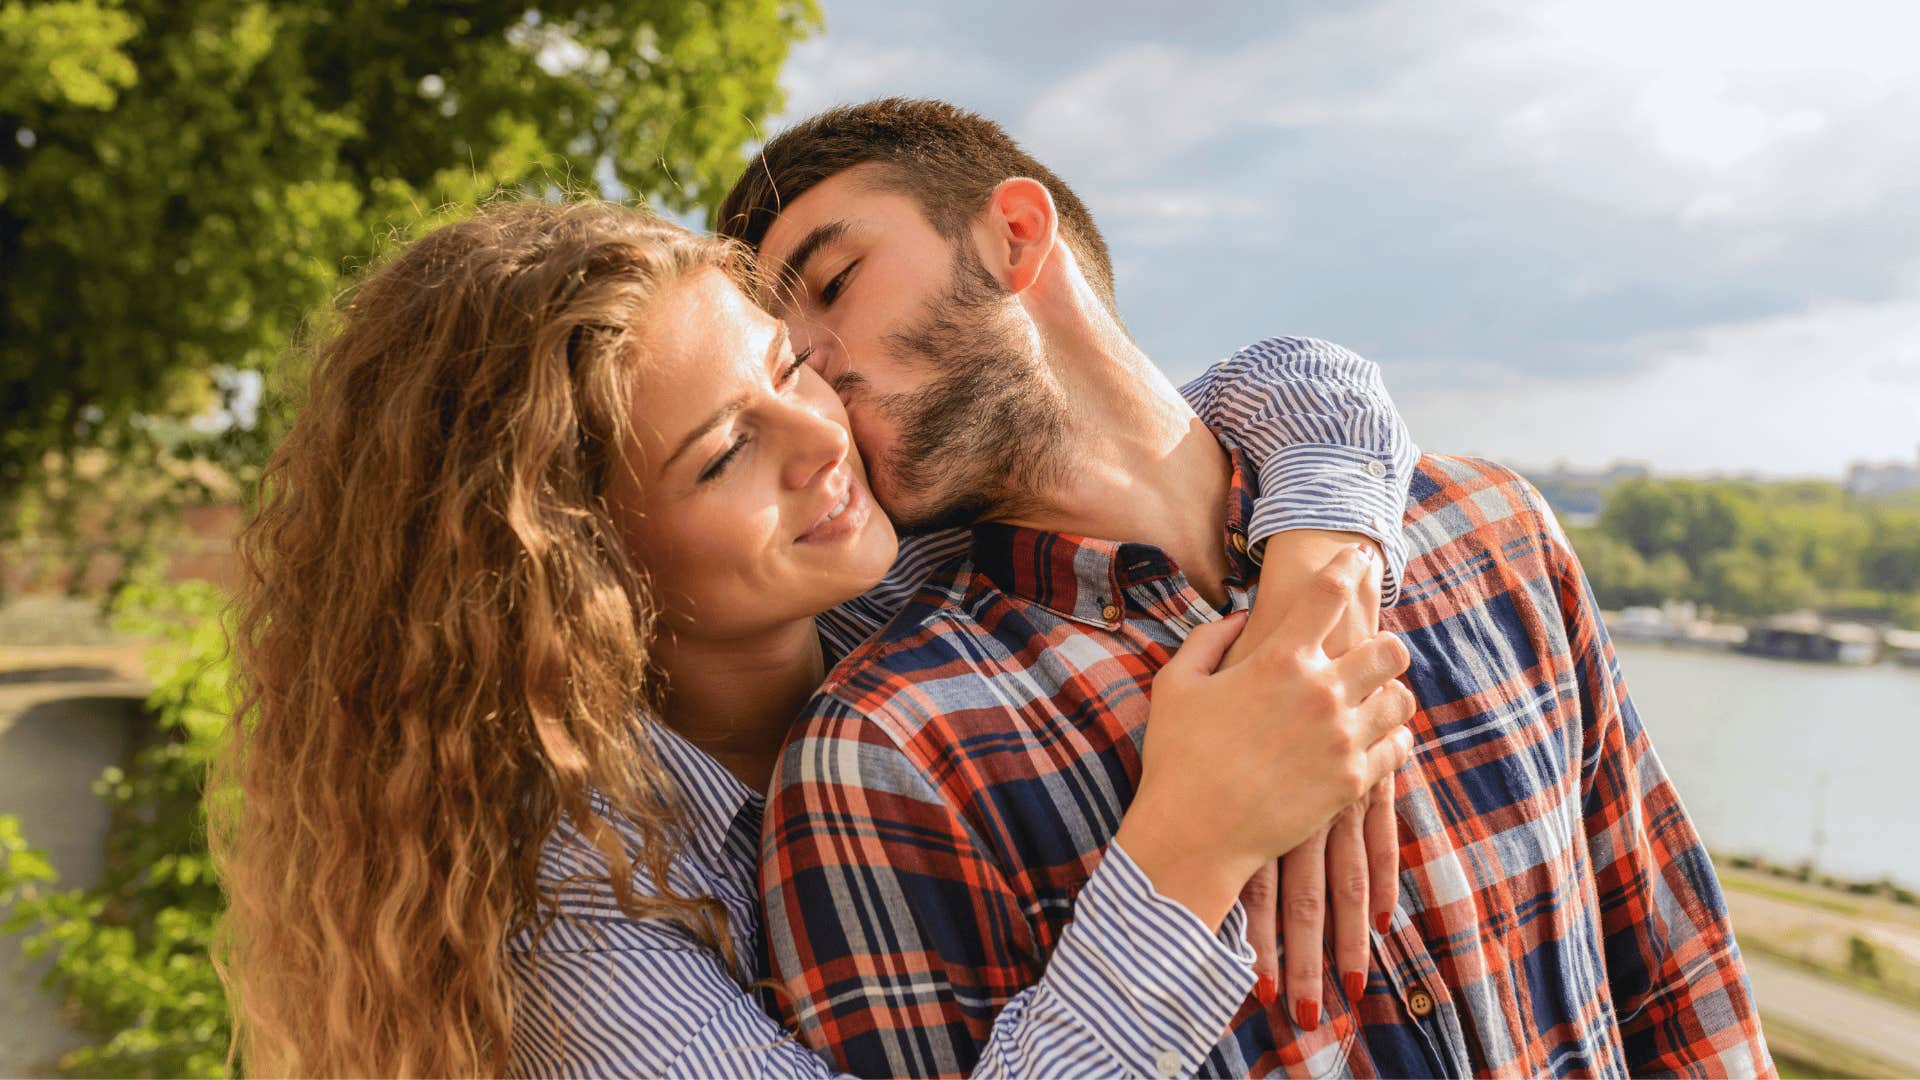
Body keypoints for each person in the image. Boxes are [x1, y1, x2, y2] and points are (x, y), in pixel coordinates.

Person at [213, 197, 1427, 1077]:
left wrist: (1316, 593)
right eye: (727, 453)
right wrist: (1190, 847)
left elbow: (1281, 389)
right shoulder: (575, 921)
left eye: (791, 366)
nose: (820, 438)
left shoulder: (900, 576)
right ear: (574, 568)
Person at [719, 98, 1774, 1077]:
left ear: (1016, 236)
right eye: (781, 359)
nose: (812, 365)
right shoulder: (882, 756)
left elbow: (1682, 992)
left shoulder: (1492, 532)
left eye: (834, 282)